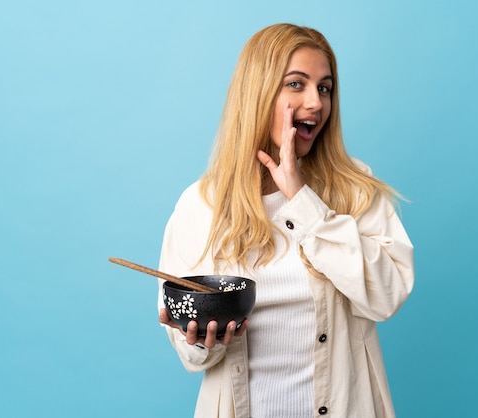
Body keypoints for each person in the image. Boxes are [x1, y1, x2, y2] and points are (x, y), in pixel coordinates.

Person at [157, 23, 414, 418]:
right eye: (297, 84)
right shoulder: (200, 205)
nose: (315, 102)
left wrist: (303, 201)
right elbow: (193, 360)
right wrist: (199, 341)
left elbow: (388, 295)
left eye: (325, 88)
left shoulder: (355, 190)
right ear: (258, 93)